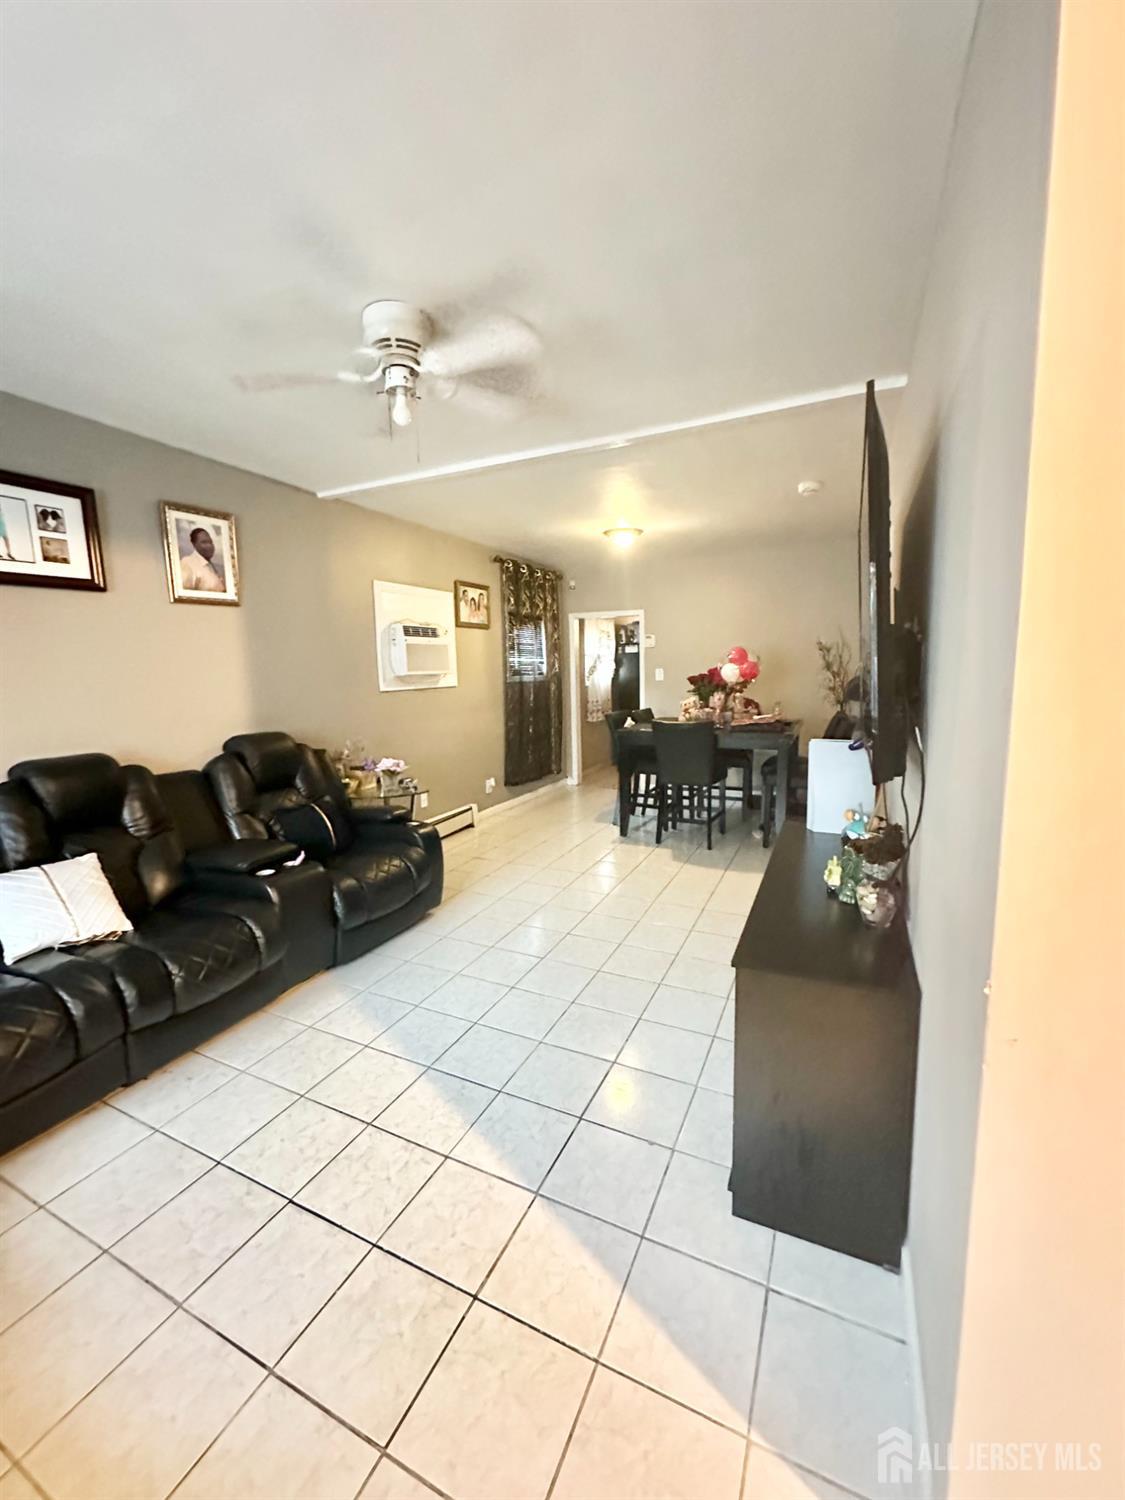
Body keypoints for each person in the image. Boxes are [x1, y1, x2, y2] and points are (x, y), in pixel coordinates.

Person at [179, 526, 225, 591]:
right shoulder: (187, 562)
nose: (209, 546)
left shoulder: (213, 566)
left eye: (210, 542)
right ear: (194, 544)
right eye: (204, 542)